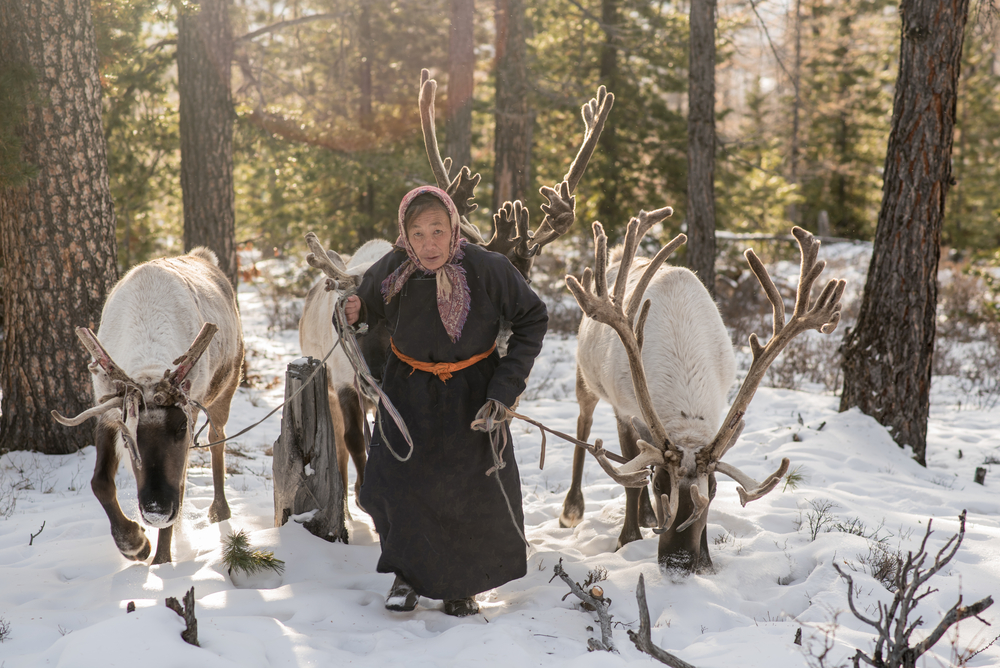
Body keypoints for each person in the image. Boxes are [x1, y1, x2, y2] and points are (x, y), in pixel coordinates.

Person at [342, 185, 548, 617]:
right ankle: (407, 576)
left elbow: (533, 318)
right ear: (404, 234)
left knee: (467, 487)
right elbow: (368, 303)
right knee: (404, 484)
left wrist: (505, 387)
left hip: (473, 393)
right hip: (408, 389)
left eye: (437, 230)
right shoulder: (395, 267)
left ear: (454, 226)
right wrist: (355, 307)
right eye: (417, 233)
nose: (428, 243)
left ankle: (462, 585)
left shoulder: (488, 268)